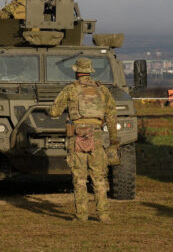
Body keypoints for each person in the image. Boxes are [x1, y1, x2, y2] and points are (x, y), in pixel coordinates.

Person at [49, 57, 120, 222]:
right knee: (99, 177)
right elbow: (111, 116)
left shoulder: (70, 89)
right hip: (97, 136)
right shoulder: (102, 90)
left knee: (79, 178)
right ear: (90, 71)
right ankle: (103, 215)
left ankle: (81, 215)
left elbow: (54, 112)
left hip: (77, 136)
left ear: (76, 72)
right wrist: (113, 141)